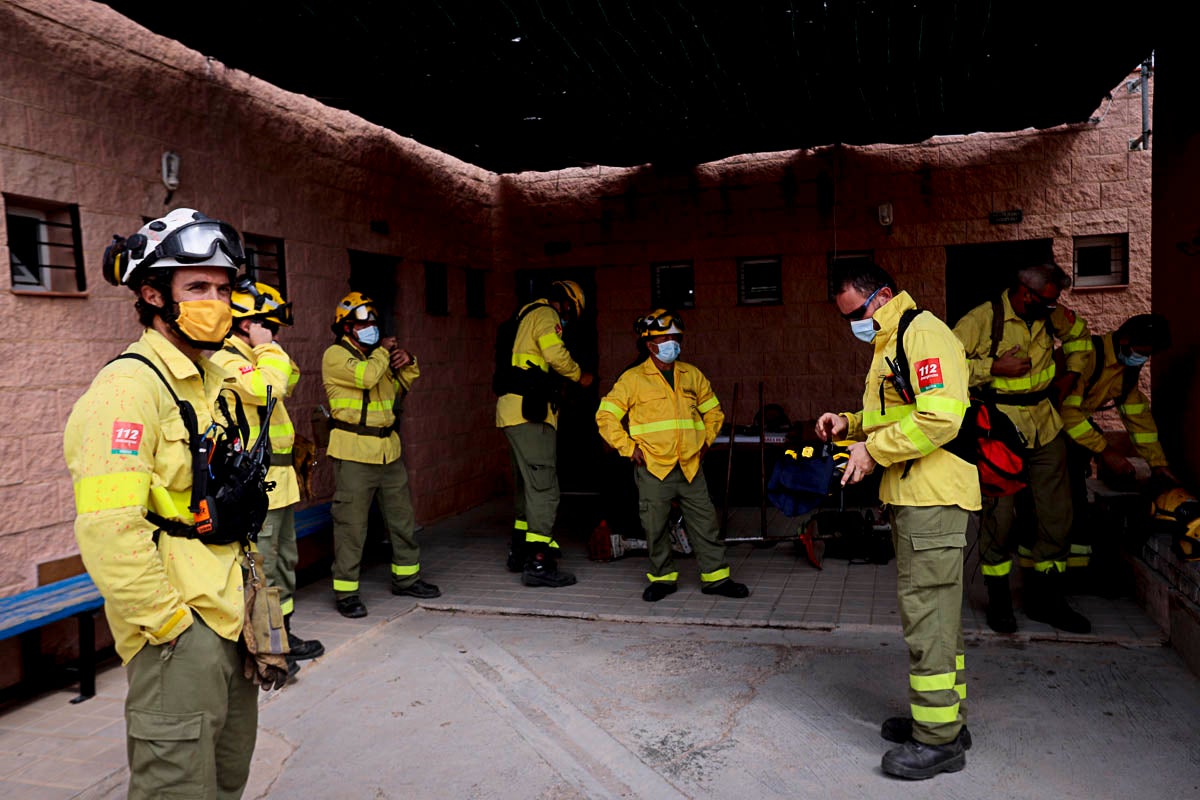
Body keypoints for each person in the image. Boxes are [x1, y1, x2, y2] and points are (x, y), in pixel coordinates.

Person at [64, 208, 263, 798]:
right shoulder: (127, 391)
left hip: (230, 610)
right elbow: (109, 528)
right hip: (180, 628)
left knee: (227, 776)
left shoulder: (208, 380)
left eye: (223, 289)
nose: (216, 303)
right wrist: (170, 624)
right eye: (197, 287)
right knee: (176, 786)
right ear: (153, 295)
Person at [815, 262, 978, 780]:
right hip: (917, 495)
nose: (853, 325)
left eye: (856, 314)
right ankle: (946, 721)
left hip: (934, 497)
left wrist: (873, 452)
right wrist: (850, 424)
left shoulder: (922, 333)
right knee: (938, 618)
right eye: (846, 318)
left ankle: (938, 742)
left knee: (928, 617)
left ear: (882, 296)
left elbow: (941, 418)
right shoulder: (893, 341)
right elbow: (899, 414)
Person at [953, 263, 1095, 634]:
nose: (1054, 307)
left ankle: (1048, 601)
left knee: (1056, 516)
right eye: (1048, 300)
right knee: (999, 520)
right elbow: (943, 366)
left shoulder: (1050, 314)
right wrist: (992, 367)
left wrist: (1071, 375)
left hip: (1045, 425)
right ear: (1025, 293)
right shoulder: (982, 319)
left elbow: (1081, 337)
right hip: (999, 428)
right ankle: (999, 601)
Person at [210, 279, 325, 676]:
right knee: (264, 571)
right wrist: (266, 349)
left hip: (280, 482)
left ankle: (283, 638)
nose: (276, 335)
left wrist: (265, 348)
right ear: (248, 324)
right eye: (270, 326)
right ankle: (269, 653)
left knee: (284, 563)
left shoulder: (258, 357)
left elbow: (289, 378)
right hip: (257, 487)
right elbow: (270, 387)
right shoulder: (226, 361)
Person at [595, 309, 749, 602]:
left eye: (676, 338)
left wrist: (705, 441)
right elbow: (606, 416)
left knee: (706, 523)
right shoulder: (632, 379)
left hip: (690, 465)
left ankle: (716, 578)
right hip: (653, 466)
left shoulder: (692, 375)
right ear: (649, 344)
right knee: (655, 527)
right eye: (665, 338)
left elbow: (714, 412)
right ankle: (663, 579)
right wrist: (628, 448)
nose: (672, 344)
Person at [322, 291, 439, 619]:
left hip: (388, 451)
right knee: (351, 526)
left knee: (402, 520)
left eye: (373, 323)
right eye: (363, 324)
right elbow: (367, 377)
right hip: (354, 452)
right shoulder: (336, 355)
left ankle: (407, 578)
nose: (370, 329)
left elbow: (398, 389)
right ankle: (346, 592)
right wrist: (384, 352)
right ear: (346, 328)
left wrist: (408, 361)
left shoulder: (378, 358)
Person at [1058, 313, 1176, 582]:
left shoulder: (1126, 372)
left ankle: (1077, 568)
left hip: (1070, 430)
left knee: (1076, 497)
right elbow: (1066, 412)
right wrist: (1105, 451)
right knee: (1062, 499)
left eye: (1148, 355)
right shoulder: (1088, 356)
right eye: (1142, 352)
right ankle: (1053, 572)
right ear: (1125, 340)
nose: (1143, 359)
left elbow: (1139, 420)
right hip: (1045, 427)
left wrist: (1158, 464)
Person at [496, 280, 594, 587]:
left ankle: (519, 550)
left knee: (526, 487)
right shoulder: (546, 315)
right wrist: (579, 376)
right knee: (544, 489)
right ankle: (539, 562)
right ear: (566, 302)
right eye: (570, 311)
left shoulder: (522, 316)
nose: (567, 318)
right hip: (530, 415)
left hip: (512, 412)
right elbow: (554, 354)